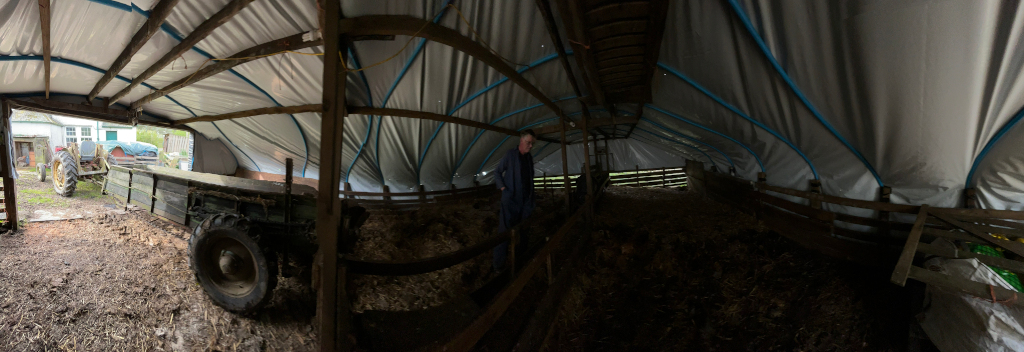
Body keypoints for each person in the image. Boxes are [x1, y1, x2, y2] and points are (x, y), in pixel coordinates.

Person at [492, 129, 537, 272]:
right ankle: (498, 265)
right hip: (511, 200)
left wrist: (531, 197)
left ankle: (521, 259)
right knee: (505, 232)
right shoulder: (510, 155)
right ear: (521, 141)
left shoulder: (529, 158)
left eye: (532, 143)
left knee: (524, 230)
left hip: (525, 202)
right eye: (529, 143)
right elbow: (497, 172)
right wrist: (503, 189)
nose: (531, 146)